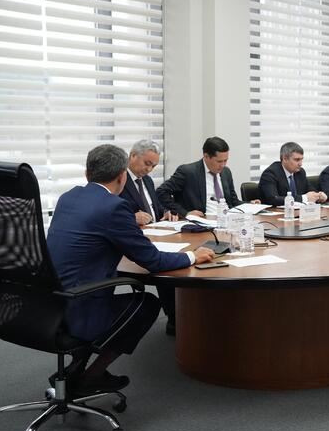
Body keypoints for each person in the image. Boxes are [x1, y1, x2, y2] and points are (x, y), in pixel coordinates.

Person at [47, 145, 214, 394]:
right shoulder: (113, 207)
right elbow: (153, 261)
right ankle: (91, 376)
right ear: (122, 176)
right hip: (79, 306)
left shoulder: (68, 197)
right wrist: (193, 255)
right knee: (146, 304)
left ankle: (75, 370)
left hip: (46, 304)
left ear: (87, 173)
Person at [118, 139, 180, 336]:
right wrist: (132, 217)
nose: (150, 169)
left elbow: (155, 208)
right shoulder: (119, 180)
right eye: (147, 163)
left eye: (153, 166)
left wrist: (166, 213)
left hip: (160, 234)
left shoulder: (147, 181)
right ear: (133, 156)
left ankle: (180, 314)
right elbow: (111, 211)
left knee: (177, 260)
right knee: (166, 267)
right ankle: (175, 317)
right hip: (135, 241)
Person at [156, 136, 252, 218]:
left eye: (225, 160)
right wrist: (184, 213)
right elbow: (161, 192)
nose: (223, 165)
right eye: (219, 161)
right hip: (204, 222)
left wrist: (250, 205)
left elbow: (233, 202)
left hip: (229, 220)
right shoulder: (188, 172)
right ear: (206, 156)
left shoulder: (226, 172)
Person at [258, 142, 327, 206]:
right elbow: (273, 199)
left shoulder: (300, 172)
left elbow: (310, 190)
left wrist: (319, 195)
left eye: (301, 159)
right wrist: (303, 198)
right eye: (297, 160)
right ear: (285, 159)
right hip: (275, 214)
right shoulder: (270, 173)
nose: (300, 164)